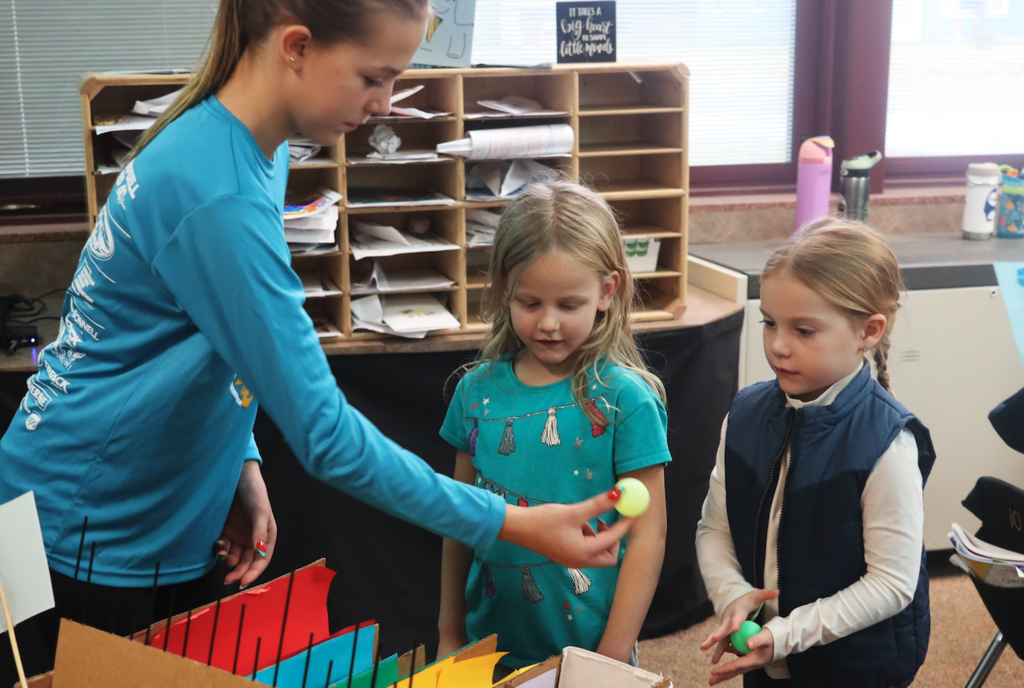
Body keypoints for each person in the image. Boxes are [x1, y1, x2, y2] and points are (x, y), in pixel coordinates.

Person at [0, 1, 630, 681]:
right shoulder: (219, 191)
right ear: (296, 46)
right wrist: (511, 524)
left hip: (145, 512)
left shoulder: (249, 150)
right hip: (87, 527)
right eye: (374, 77)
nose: (387, 103)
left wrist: (238, 461)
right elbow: (327, 439)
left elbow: (208, 333)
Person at [436, 179, 671, 672]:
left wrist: (608, 659)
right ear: (503, 290)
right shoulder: (474, 392)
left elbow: (647, 537)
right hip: (488, 646)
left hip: (589, 651)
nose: (548, 323)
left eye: (568, 305)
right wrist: (450, 631)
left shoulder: (626, 400)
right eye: (530, 303)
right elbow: (458, 520)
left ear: (607, 292)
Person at [695, 218, 937, 688]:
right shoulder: (745, 415)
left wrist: (788, 633)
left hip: (856, 667)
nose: (778, 346)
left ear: (868, 330)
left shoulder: (888, 442)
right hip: (768, 656)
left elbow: (891, 584)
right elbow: (713, 528)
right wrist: (732, 596)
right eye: (769, 323)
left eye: (804, 331)